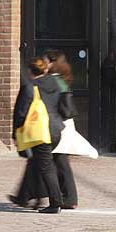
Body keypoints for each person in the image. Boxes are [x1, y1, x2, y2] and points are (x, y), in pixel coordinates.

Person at [10, 57, 66, 214]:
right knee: (36, 163)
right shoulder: (54, 83)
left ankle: (55, 202)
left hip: (40, 132)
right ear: (45, 70)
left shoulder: (30, 87)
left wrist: (16, 134)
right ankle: (25, 197)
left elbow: (20, 113)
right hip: (55, 129)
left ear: (30, 71)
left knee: (45, 167)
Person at [43, 50, 79, 210]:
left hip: (59, 125)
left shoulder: (53, 81)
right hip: (64, 123)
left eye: (45, 61)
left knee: (60, 161)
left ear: (52, 63)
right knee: (61, 160)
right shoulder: (61, 78)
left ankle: (69, 198)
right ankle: (68, 197)